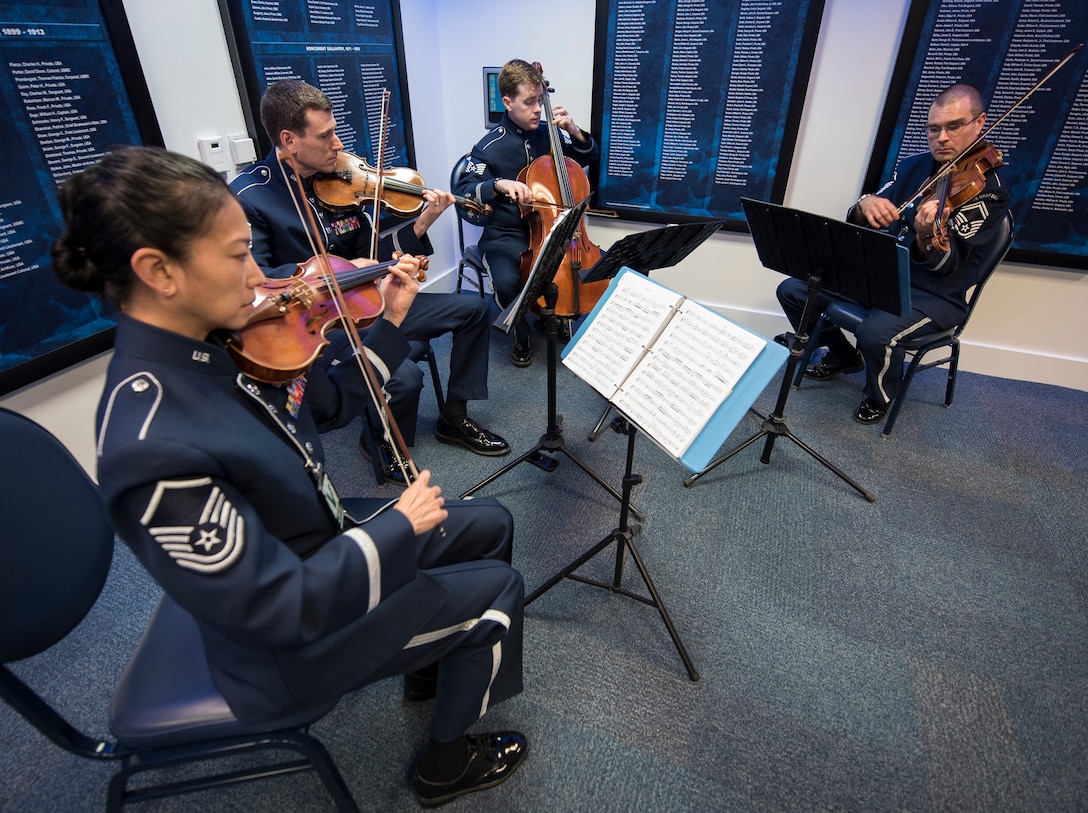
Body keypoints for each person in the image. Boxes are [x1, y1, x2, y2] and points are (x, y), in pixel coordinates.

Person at [51, 146, 527, 807]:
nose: (260, 274)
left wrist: (388, 321)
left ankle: (430, 663)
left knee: (492, 521)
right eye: (237, 253)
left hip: (317, 537)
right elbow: (276, 607)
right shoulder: (149, 442)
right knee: (499, 588)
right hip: (288, 645)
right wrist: (396, 525)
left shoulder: (221, 340)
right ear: (158, 270)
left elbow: (324, 404)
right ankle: (445, 765)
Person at [231, 80, 508, 485]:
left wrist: (420, 227)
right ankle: (380, 442)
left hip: (371, 302)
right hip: (321, 323)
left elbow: (375, 250)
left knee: (474, 309)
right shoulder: (250, 197)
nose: (338, 145)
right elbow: (253, 286)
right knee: (405, 375)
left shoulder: (342, 179)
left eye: (335, 132)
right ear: (289, 140)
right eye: (325, 136)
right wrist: (330, 274)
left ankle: (454, 417)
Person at [776, 83, 1011, 424]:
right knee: (795, 291)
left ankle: (880, 395)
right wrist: (864, 205)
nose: (941, 137)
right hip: (883, 276)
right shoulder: (916, 166)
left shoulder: (990, 194)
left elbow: (952, 267)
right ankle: (843, 356)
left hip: (935, 295)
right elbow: (866, 210)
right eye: (934, 128)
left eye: (954, 126)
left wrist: (925, 234)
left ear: (980, 123)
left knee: (875, 333)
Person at [454, 59, 600, 367]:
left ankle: (554, 316)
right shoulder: (488, 147)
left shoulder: (550, 134)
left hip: (551, 230)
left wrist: (573, 129)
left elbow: (590, 156)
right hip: (505, 236)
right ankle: (521, 334)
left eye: (540, 101)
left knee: (577, 267)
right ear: (507, 102)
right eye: (529, 102)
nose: (537, 109)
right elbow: (465, 189)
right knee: (507, 282)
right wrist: (498, 184)